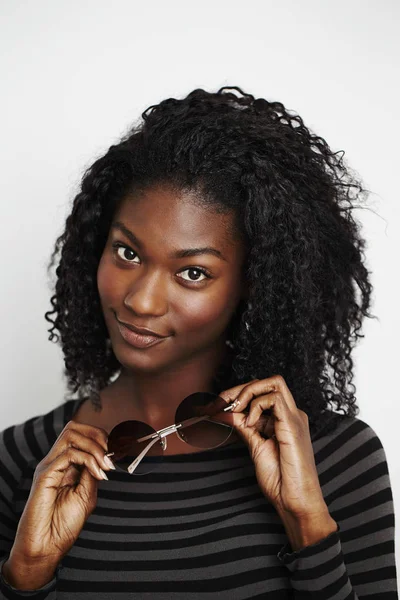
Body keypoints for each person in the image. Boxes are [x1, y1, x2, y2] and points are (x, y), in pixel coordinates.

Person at [0, 86, 397, 598]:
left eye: (192, 272)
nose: (142, 300)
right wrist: (26, 574)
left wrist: (306, 521)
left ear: (255, 284)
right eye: (127, 252)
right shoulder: (21, 462)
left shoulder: (335, 459)